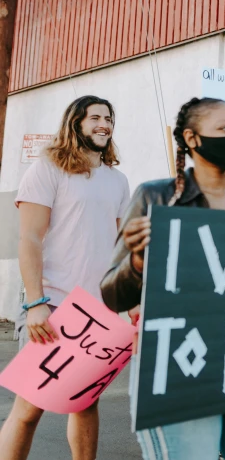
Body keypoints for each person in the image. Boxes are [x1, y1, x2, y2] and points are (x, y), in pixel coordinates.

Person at [100, 97, 225, 460]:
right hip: (180, 363)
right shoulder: (155, 197)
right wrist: (138, 261)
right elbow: (112, 295)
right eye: (224, 129)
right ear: (191, 138)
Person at [0, 95, 131, 460]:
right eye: (95, 118)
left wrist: (133, 301)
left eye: (109, 117)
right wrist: (35, 302)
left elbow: (121, 248)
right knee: (29, 409)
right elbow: (28, 238)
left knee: (85, 403)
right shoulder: (48, 169)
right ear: (75, 123)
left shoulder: (117, 180)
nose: (104, 124)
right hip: (53, 303)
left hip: (97, 310)